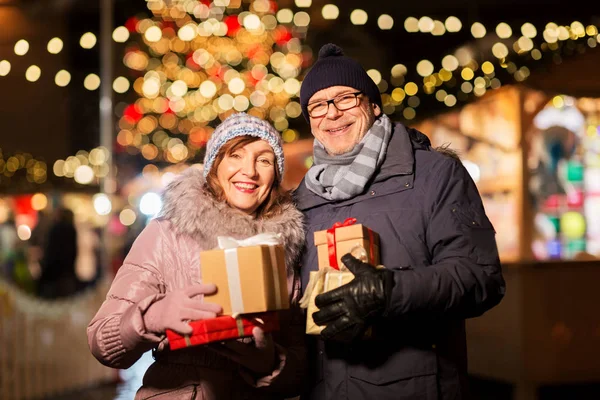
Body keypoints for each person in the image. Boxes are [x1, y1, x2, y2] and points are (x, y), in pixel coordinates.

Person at [293, 43, 506, 399]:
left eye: (345, 98)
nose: (331, 113)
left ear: (373, 106)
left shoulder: (434, 175)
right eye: (317, 105)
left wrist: (389, 291)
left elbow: (480, 276)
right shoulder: (303, 198)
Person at [87, 113, 307, 399]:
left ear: (275, 174)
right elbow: (102, 344)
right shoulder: (167, 234)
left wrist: (268, 362)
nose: (250, 171)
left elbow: (303, 371)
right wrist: (152, 316)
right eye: (235, 155)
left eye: (264, 160)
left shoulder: (284, 249)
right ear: (215, 165)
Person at [37, 207, 79, 298]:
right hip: (67, 272)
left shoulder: (55, 229)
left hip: (54, 274)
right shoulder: (71, 230)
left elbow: (51, 252)